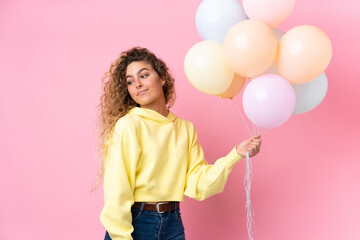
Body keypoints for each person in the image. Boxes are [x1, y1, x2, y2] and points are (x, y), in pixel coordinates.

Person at [95, 47, 262, 240]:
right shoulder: (129, 125)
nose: (138, 84)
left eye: (144, 75)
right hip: (136, 222)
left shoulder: (184, 128)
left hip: (172, 223)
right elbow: (117, 189)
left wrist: (236, 154)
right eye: (130, 82)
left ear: (162, 78)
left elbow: (198, 184)